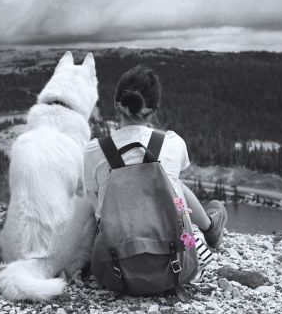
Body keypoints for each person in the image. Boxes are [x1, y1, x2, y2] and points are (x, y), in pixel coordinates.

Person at [83, 64, 227, 250]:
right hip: (173, 264)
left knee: (101, 189)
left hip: (113, 268)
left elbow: (94, 200)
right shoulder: (173, 143)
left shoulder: (94, 150)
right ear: (154, 109)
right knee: (175, 184)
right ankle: (210, 228)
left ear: (116, 103)